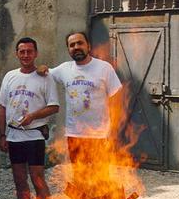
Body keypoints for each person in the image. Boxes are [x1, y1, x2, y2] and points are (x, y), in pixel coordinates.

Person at [0, 37, 59, 199]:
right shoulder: (9, 77)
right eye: (22, 51)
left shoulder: (45, 77)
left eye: (29, 51)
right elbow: (2, 107)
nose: (25, 55)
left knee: (37, 179)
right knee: (19, 180)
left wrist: (33, 116)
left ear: (36, 53)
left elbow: (54, 106)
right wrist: (2, 135)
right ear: (17, 54)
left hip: (34, 136)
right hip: (14, 136)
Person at [43, 31, 122, 167]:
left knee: (100, 178)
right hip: (74, 134)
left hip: (100, 135)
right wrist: (41, 68)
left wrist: (114, 130)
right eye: (72, 45)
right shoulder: (64, 69)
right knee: (79, 175)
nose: (76, 47)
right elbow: (45, 73)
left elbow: (117, 100)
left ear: (88, 46)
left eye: (80, 43)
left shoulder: (104, 68)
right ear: (68, 49)